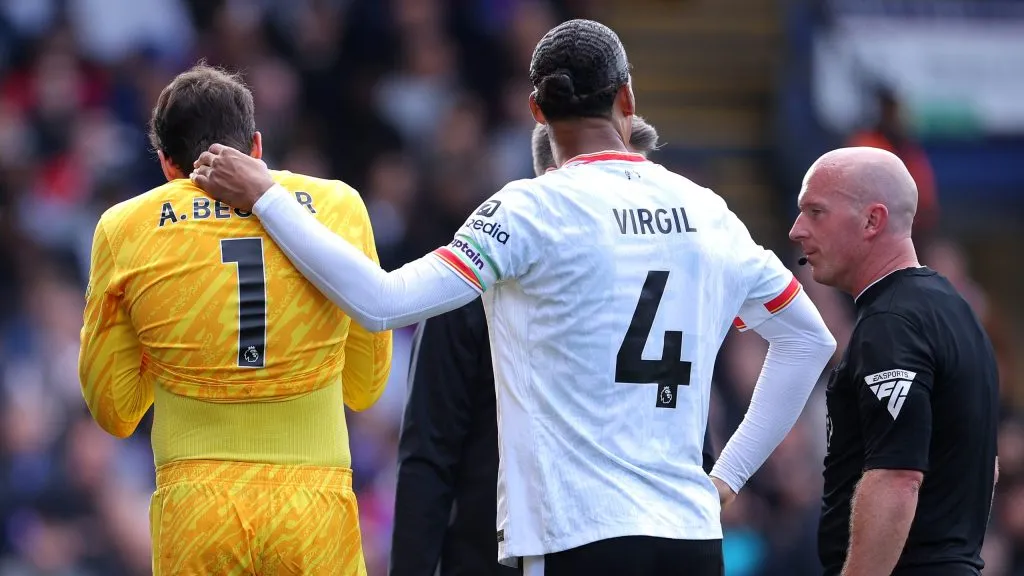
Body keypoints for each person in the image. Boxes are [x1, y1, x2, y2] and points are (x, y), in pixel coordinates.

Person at [191, 19, 837, 576]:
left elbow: (381, 300)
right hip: (691, 540)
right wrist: (724, 479)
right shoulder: (707, 211)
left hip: (576, 534)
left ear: (536, 111)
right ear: (627, 98)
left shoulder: (533, 210)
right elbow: (809, 341)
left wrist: (267, 194)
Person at [78, 64, 391, 575]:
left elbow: (114, 411)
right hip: (314, 507)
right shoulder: (340, 206)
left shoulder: (124, 226)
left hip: (197, 507)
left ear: (166, 166)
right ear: (257, 146)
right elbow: (365, 386)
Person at [389, 117, 683, 576]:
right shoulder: (468, 285)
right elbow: (429, 454)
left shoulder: (652, 288)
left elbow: (685, 430)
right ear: (554, 179)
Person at [789, 146, 999, 576]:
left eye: (816, 212)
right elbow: (984, 467)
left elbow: (897, 476)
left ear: (872, 220)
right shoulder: (953, 309)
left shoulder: (890, 324)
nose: (796, 231)